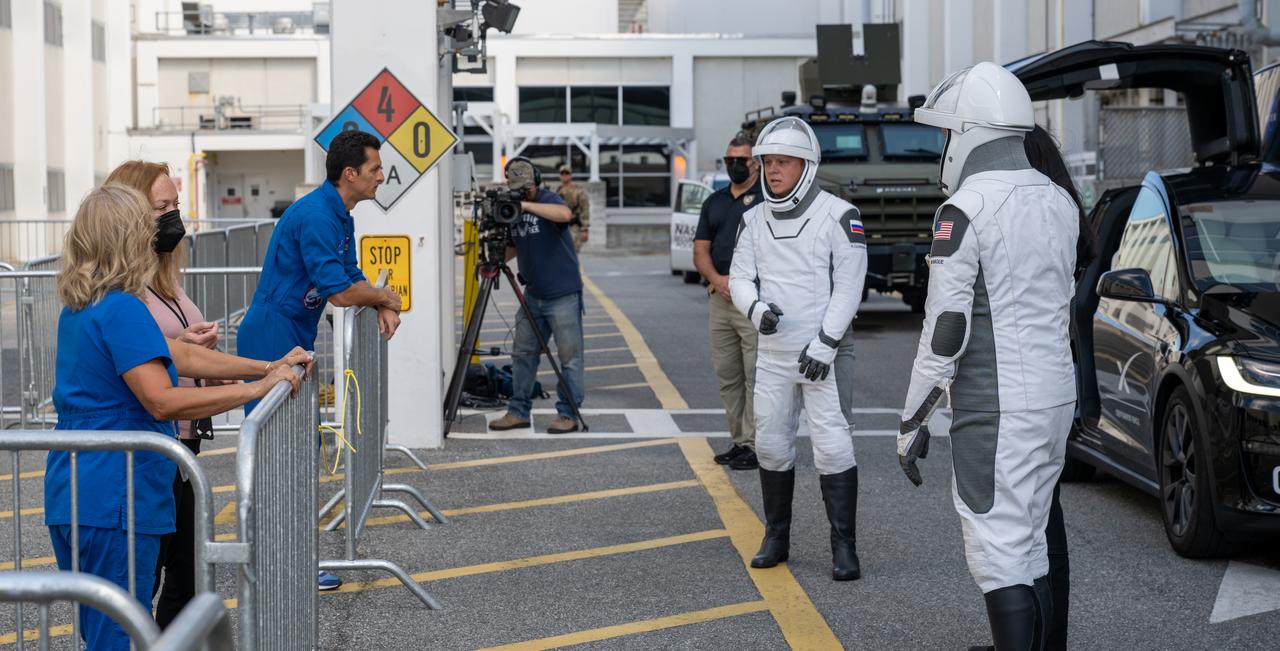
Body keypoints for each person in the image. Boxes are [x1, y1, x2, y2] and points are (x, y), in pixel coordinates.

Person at [47, 184, 311, 650]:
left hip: (77, 486)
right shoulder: (123, 308)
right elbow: (162, 399)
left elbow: (179, 357)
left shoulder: (84, 304)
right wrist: (255, 389)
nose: (156, 235)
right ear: (129, 237)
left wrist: (265, 367)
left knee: (105, 627)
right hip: (117, 492)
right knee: (120, 634)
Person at [896, 62, 1079, 650]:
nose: (945, 148)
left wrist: (911, 420)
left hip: (997, 405)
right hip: (1055, 398)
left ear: (970, 132)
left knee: (998, 550)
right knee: (1029, 545)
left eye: (948, 134)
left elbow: (946, 329)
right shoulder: (1058, 200)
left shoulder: (964, 210)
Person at [236, 128, 402, 590]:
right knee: (280, 457)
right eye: (374, 169)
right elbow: (343, 291)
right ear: (350, 173)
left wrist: (380, 300)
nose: (381, 175)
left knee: (297, 452)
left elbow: (351, 276)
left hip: (293, 335)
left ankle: (285, 557)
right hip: (273, 336)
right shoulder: (315, 215)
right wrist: (387, 296)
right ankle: (280, 564)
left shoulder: (338, 213)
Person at [729, 116, 868, 581]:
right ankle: (776, 537)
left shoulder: (840, 215)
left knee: (832, 448)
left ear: (806, 166)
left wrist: (826, 343)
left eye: (782, 162)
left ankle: (843, 547)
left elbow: (850, 286)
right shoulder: (752, 218)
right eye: (767, 162)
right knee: (770, 445)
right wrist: (754, 309)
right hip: (772, 353)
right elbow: (740, 277)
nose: (772, 170)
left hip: (821, 355)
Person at [103, 160, 220, 628]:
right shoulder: (119, 295)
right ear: (130, 211)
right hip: (148, 446)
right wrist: (259, 376)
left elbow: (176, 352)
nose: (173, 217)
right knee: (144, 579)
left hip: (181, 443)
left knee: (189, 574)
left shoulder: (164, 276)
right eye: (161, 207)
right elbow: (154, 370)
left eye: (175, 205)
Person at [1017, 124, 1098, 651]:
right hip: (1058, 381)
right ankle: (1046, 639)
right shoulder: (1065, 210)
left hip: (1024, 385)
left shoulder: (1026, 215)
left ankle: (1033, 640)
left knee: (1023, 528)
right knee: (1045, 519)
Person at [489, 157, 584, 434]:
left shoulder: (549, 199)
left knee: (570, 357)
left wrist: (526, 204)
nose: (521, 193)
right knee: (523, 353)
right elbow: (512, 246)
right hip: (533, 294)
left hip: (562, 294)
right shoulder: (513, 207)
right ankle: (518, 411)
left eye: (526, 189)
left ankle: (568, 414)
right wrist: (493, 261)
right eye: (517, 189)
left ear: (536, 183)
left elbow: (565, 215)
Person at [695, 134, 764, 471]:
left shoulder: (769, 200)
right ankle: (739, 441)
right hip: (720, 299)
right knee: (728, 375)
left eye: (742, 159)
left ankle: (756, 444)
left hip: (752, 300)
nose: (735, 165)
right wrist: (716, 279)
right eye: (730, 160)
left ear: (755, 162)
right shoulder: (715, 201)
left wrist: (740, 285)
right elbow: (700, 249)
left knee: (756, 375)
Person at [556, 164, 590, 252]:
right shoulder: (557, 191)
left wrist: (585, 229)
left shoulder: (578, 191)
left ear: (571, 175)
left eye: (566, 173)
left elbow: (585, 210)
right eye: (562, 173)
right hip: (559, 228)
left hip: (574, 227)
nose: (564, 175)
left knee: (573, 255)